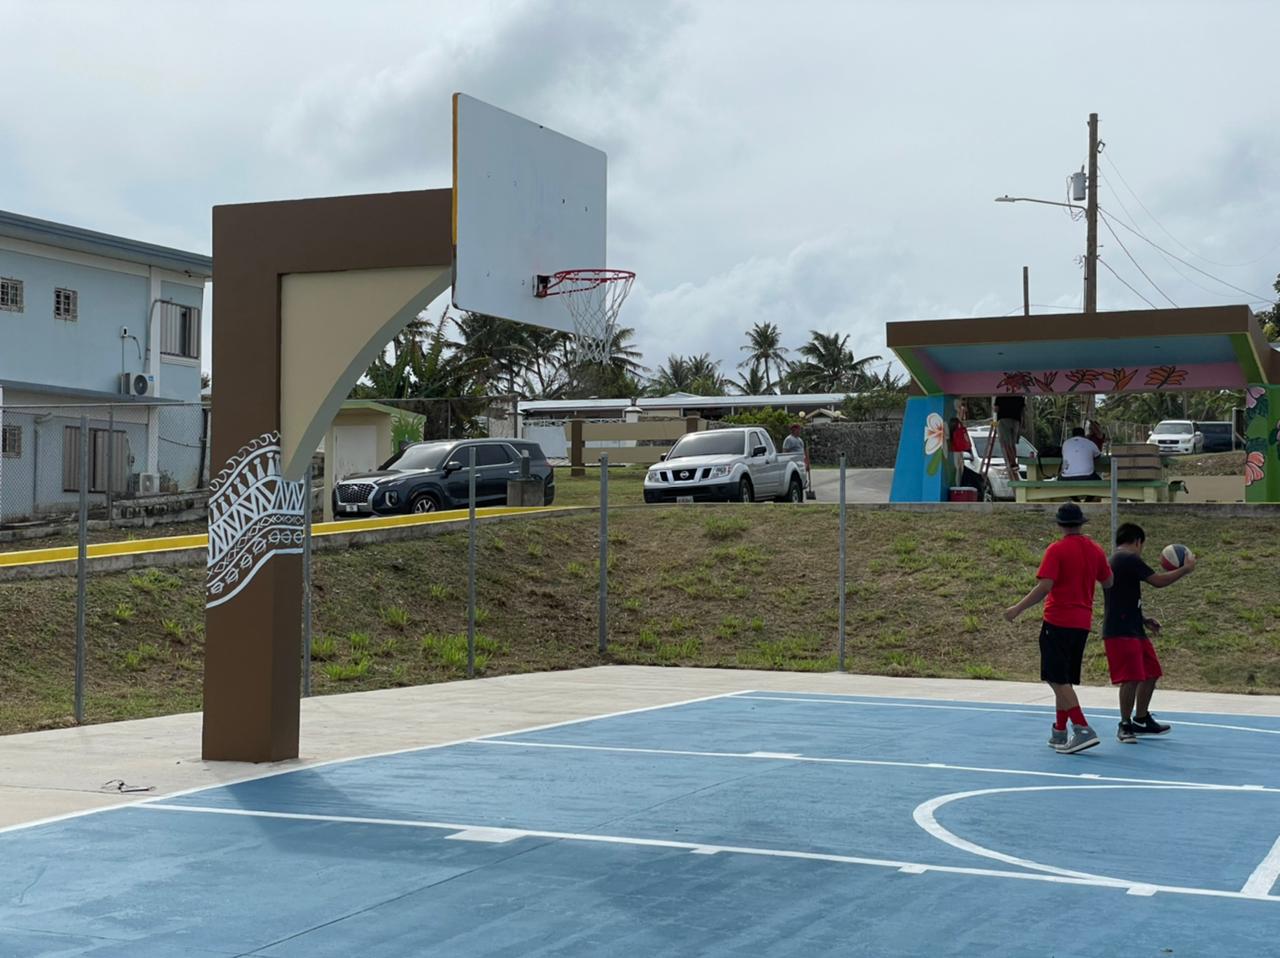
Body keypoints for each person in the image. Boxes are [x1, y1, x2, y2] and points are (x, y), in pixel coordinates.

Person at [1003, 502, 1114, 754]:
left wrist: (1017, 608)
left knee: (1055, 678)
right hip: (1082, 622)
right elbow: (1109, 580)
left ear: (1059, 524)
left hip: (1058, 620)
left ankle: (1082, 728)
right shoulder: (1095, 549)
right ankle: (1060, 731)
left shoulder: (1057, 550)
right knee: (1063, 680)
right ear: (1081, 523)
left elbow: (1045, 586)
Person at [1104, 523, 1195, 742]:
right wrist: (1185, 569)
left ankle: (1141, 718)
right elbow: (1158, 581)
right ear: (1138, 541)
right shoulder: (1128, 558)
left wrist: (1143, 619)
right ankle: (1125, 724)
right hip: (1121, 630)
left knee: (1151, 672)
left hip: (1132, 626)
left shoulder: (1117, 560)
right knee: (1131, 677)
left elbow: (1120, 597)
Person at [994, 394, 1026, 482]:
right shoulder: (1020, 396)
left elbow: (996, 409)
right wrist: (1023, 424)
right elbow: (1023, 411)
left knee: (1006, 443)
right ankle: (1013, 462)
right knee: (1012, 443)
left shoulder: (1000, 395)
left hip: (1003, 419)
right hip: (1016, 420)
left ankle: (1013, 464)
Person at [783, 422, 810, 493]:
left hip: (801, 462)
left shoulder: (800, 440)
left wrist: (807, 463)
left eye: (799, 429)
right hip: (794, 462)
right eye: (798, 429)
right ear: (794, 430)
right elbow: (785, 451)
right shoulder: (789, 439)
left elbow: (804, 452)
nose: (799, 431)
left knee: (802, 479)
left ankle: (802, 488)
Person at [949, 416, 972, 484]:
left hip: (955, 451)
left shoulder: (951, 432)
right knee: (958, 472)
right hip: (958, 452)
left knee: (957, 471)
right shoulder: (960, 431)